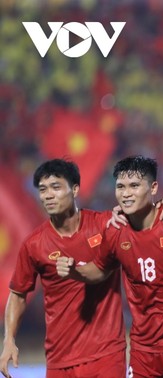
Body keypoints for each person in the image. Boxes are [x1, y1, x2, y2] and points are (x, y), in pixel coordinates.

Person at [56, 156, 163, 378]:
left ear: (153, 188)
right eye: (120, 187)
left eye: (134, 186)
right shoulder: (115, 230)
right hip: (144, 350)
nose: (126, 193)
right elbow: (100, 270)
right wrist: (75, 270)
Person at [0, 159, 126, 378]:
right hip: (59, 359)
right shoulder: (34, 244)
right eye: (42, 189)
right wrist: (9, 339)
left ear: (75, 189)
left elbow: (102, 271)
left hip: (106, 355)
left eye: (56, 187)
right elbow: (18, 294)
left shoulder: (106, 225)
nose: (48, 195)